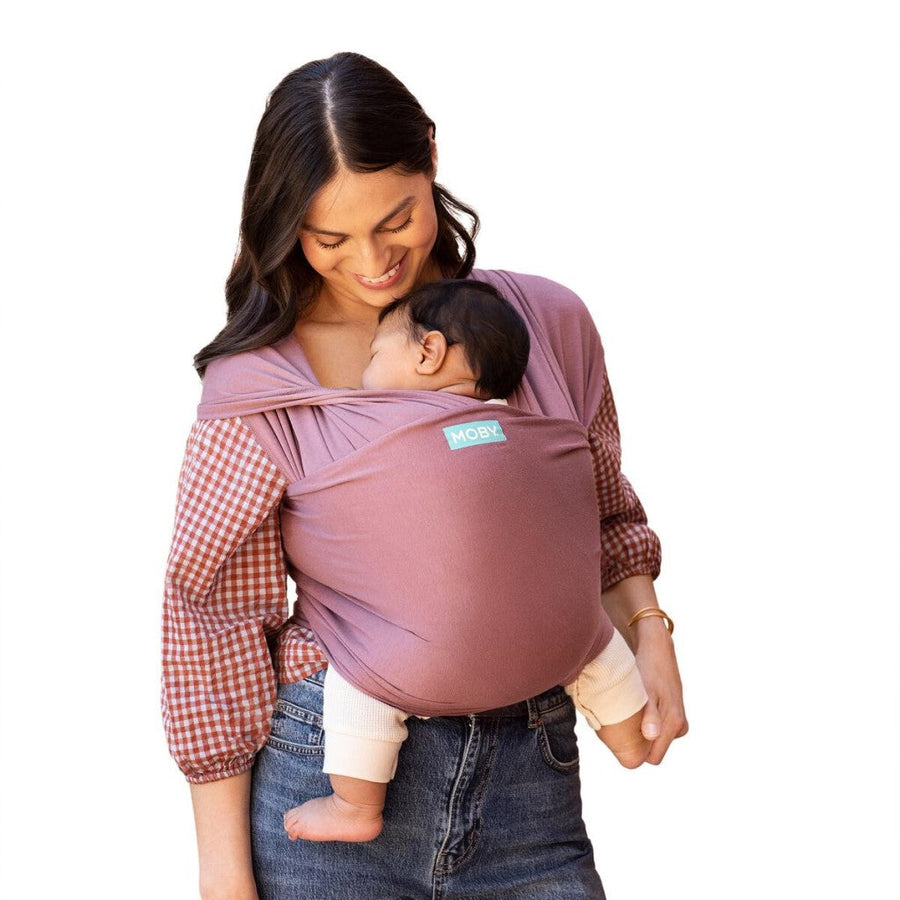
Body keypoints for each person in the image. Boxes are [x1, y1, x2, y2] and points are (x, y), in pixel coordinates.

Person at [162, 51, 687, 900]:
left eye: (396, 220)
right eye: (329, 238)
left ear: (431, 158)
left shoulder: (545, 326)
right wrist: (224, 876)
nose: (371, 262)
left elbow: (605, 517)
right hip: (326, 780)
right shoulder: (259, 388)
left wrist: (652, 636)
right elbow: (215, 620)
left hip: (531, 789)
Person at [282, 279, 650, 844]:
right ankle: (629, 732)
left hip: (417, 665)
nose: (364, 373)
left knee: (356, 670)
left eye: (376, 353)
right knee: (593, 642)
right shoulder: (541, 431)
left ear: (427, 352)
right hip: (562, 643)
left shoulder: (385, 430)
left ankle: (355, 806)